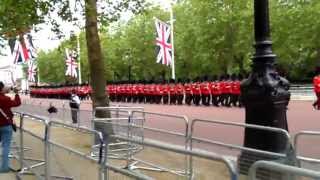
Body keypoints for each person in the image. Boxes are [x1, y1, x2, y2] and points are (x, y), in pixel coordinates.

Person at [0, 82, 21, 173]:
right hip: (5, 125)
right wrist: (16, 93)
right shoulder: (5, 99)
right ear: (1, 88)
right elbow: (17, 103)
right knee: (6, 146)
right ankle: (4, 167)